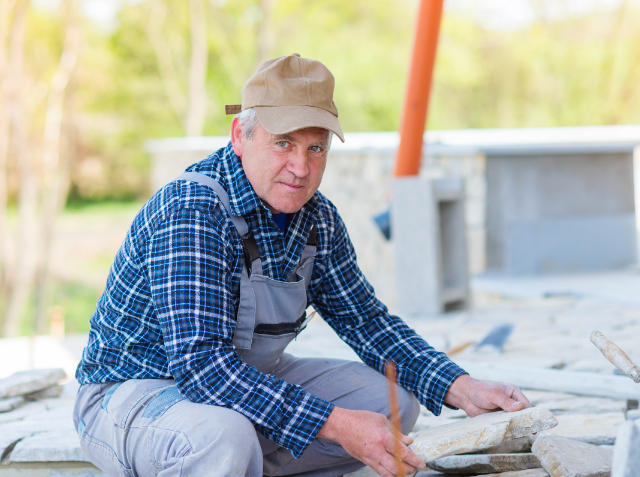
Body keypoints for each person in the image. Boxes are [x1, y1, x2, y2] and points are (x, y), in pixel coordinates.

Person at [74, 53, 530, 477]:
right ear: (240, 135)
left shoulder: (318, 218)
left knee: (390, 403)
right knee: (223, 436)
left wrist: (460, 386)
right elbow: (201, 369)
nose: (300, 166)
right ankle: (229, 457)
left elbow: (368, 323)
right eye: (284, 143)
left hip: (238, 386)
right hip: (137, 392)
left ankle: (241, 461)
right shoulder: (193, 211)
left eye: (316, 148)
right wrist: (334, 424)